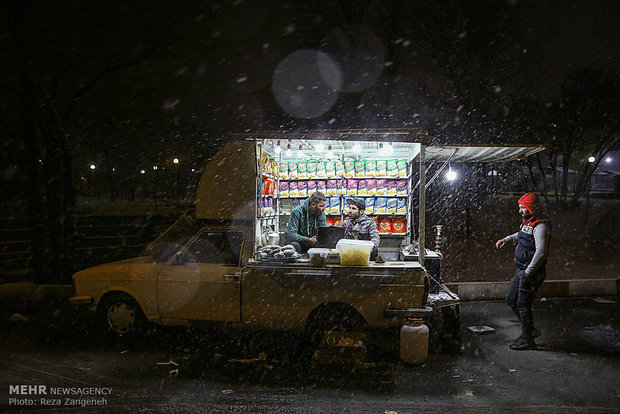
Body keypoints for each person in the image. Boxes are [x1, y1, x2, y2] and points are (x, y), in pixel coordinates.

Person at [495, 192, 551, 350]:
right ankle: (530, 329)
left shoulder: (541, 226)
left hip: (531, 272)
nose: (520, 210)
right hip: (521, 269)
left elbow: (541, 252)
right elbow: (521, 235)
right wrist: (506, 239)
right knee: (511, 299)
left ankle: (527, 339)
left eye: (522, 207)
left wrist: (528, 272)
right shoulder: (528, 222)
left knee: (523, 304)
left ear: (531, 208)